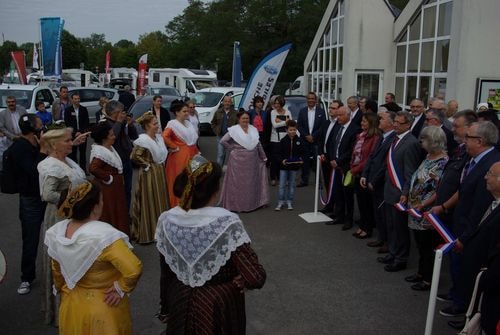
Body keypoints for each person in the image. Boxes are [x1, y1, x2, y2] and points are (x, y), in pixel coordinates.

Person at [155, 155, 266, 334]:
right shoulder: (226, 222)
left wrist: (166, 309)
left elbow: (166, 273)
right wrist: (243, 279)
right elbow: (255, 276)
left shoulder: (168, 219)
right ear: (214, 190)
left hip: (180, 301)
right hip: (216, 306)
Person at [44, 181, 142, 334]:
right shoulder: (104, 237)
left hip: (72, 305)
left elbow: (57, 271)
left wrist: (63, 289)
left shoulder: (57, 233)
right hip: (104, 308)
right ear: (94, 207)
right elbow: (133, 268)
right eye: (101, 200)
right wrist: (120, 287)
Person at [439, 121, 500, 318]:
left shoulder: (491, 164)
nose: (464, 141)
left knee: (469, 270)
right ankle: (457, 296)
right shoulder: (473, 159)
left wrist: (465, 237)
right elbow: (463, 190)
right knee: (458, 267)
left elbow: (480, 207)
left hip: (472, 231)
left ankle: (466, 309)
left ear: (480, 141)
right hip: (460, 222)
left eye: (468, 138)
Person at [38, 126, 88, 325]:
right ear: (55, 145)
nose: (71, 143)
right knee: (61, 259)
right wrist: (73, 200)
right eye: (67, 141)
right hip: (60, 217)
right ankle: (61, 311)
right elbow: (47, 194)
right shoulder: (51, 166)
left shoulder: (64, 160)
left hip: (71, 214)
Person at [405, 126, 449, 291]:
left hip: (427, 211)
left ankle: (428, 279)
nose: (420, 142)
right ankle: (420, 273)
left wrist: (423, 204)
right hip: (416, 208)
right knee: (420, 244)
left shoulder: (443, 162)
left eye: (423, 139)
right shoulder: (428, 156)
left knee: (428, 245)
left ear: (433, 142)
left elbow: (439, 189)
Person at [377, 111, 422, 272]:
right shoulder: (395, 139)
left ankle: (401, 258)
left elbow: (410, 173)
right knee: (391, 226)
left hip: (399, 193)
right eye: (394, 121)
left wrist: (405, 193)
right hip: (389, 190)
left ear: (408, 125)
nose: (395, 124)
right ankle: (393, 252)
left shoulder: (411, 143)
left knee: (400, 229)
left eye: (399, 123)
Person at [9, 114, 46, 295]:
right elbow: (34, 171)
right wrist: (42, 151)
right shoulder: (19, 148)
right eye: (39, 124)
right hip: (30, 199)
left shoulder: (36, 143)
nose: (42, 126)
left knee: (53, 235)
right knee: (30, 239)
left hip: (44, 196)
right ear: (33, 127)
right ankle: (26, 277)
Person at [361, 109, 397, 253]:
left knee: (385, 215)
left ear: (391, 122)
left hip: (382, 183)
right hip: (372, 180)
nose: (378, 121)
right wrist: (365, 175)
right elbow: (372, 157)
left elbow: (384, 165)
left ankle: (388, 242)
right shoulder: (382, 137)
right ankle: (381, 238)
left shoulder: (392, 139)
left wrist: (374, 181)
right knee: (378, 212)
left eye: (381, 118)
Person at [131, 112, 169, 244]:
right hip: (149, 174)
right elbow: (134, 156)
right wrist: (147, 165)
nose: (157, 125)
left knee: (160, 200)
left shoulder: (158, 138)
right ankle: (148, 232)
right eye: (154, 123)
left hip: (159, 172)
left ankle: (160, 231)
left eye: (157, 123)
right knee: (150, 202)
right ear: (147, 126)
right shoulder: (143, 140)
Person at [220, 110, 269, 212]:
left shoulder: (253, 129)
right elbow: (223, 141)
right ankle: (236, 205)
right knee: (238, 183)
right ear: (238, 119)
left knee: (250, 183)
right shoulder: (234, 130)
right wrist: (233, 149)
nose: (245, 120)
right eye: (243, 118)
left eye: (247, 118)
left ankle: (251, 204)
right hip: (237, 161)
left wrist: (263, 156)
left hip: (252, 160)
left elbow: (258, 144)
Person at [324, 106, 361, 230]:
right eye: (337, 115)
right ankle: (339, 216)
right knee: (338, 192)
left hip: (346, 167)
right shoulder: (338, 127)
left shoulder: (355, 129)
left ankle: (348, 219)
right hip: (335, 165)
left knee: (347, 194)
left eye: (340, 115)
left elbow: (352, 149)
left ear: (348, 115)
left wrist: (338, 161)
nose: (337, 117)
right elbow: (333, 144)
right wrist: (332, 158)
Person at [89, 121, 129, 235]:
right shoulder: (100, 152)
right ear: (104, 138)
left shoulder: (109, 148)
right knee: (111, 212)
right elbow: (93, 168)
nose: (114, 137)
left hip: (115, 189)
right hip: (108, 190)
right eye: (111, 135)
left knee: (119, 211)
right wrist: (108, 178)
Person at [163, 100, 199, 207]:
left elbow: (193, 140)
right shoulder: (172, 124)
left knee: (192, 181)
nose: (187, 113)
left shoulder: (188, 123)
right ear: (177, 112)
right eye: (184, 111)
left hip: (192, 155)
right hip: (179, 158)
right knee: (181, 181)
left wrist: (196, 152)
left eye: (187, 111)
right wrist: (175, 147)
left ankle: (189, 203)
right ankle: (178, 204)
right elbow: (164, 136)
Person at [350, 112, 381, 239]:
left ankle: (367, 228)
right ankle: (362, 226)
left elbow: (369, 158)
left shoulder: (375, 138)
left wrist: (356, 169)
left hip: (365, 174)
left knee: (367, 204)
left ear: (371, 123)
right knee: (361, 203)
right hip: (357, 172)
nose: (361, 123)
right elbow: (355, 153)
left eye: (364, 121)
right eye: (361, 121)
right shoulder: (361, 135)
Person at [104, 100, 138, 212]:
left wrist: (130, 124)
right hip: (116, 163)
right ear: (113, 112)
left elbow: (134, 136)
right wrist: (119, 122)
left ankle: (126, 214)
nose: (122, 114)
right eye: (120, 112)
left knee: (128, 190)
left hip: (127, 160)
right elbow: (112, 137)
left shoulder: (122, 122)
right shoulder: (105, 123)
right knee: (119, 192)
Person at [296, 92, 326, 187]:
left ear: (316, 100)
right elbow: (299, 126)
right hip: (305, 141)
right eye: (309, 98)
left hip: (316, 141)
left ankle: (319, 182)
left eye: (312, 98)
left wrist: (313, 136)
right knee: (305, 162)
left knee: (317, 162)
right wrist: (306, 136)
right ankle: (304, 181)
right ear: (307, 100)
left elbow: (323, 126)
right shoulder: (302, 111)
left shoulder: (321, 111)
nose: (310, 100)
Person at [275, 120, 303, 211]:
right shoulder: (283, 141)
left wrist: (301, 159)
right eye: (290, 130)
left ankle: (289, 201)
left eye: (294, 130)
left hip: (294, 167)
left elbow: (303, 153)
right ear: (286, 130)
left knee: (292, 185)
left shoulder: (299, 141)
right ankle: (280, 201)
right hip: (284, 167)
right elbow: (278, 154)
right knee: (282, 185)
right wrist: (281, 160)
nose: (292, 132)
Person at [64, 93, 90, 172]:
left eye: (78, 99)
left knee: (82, 153)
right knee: (73, 153)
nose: (77, 100)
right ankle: (75, 170)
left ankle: (83, 170)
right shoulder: (68, 110)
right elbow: (67, 123)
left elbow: (86, 122)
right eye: (75, 99)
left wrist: (81, 132)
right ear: (72, 100)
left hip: (82, 134)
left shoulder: (83, 109)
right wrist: (75, 132)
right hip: (73, 135)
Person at [269, 95, 292, 186]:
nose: (276, 105)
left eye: (278, 103)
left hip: (285, 139)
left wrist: (280, 121)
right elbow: (274, 125)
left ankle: (282, 178)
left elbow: (290, 124)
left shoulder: (288, 111)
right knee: (274, 160)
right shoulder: (273, 112)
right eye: (275, 103)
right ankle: (273, 178)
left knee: (283, 159)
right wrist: (284, 122)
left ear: (282, 104)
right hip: (275, 140)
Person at [211, 95, 238, 166]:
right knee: (220, 154)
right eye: (225, 101)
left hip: (231, 138)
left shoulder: (235, 113)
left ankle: (232, 172)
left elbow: (238, 125)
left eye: (229, 101)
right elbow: (213, 123)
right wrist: (216, 131)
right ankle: (218, 171)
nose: (227, 103)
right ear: (223, 102)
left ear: (231, 103)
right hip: (220, 137)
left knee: (232, 155)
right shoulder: (218, 112)